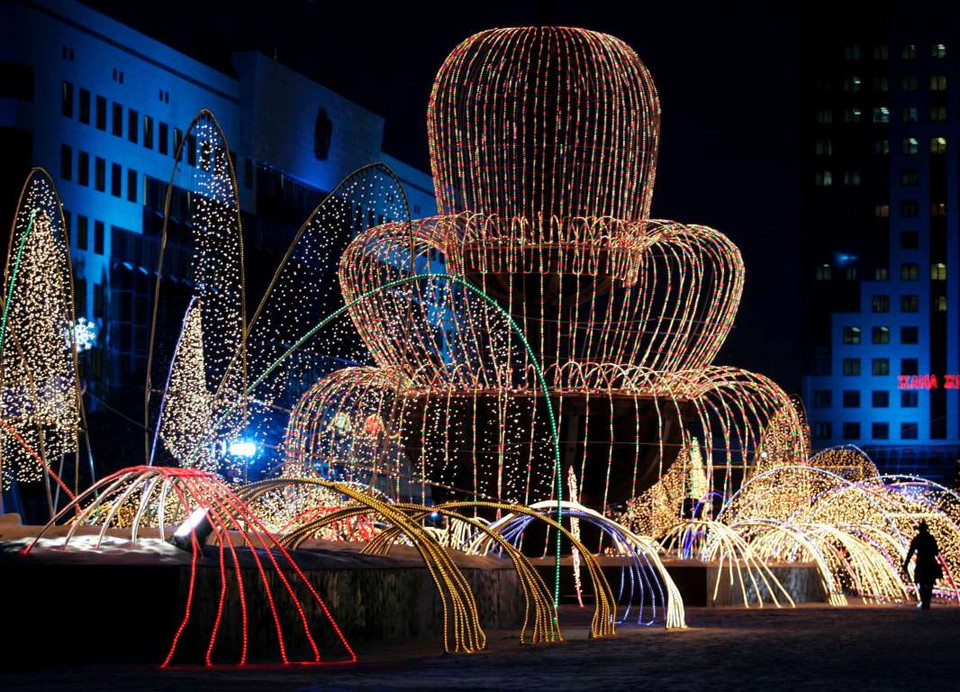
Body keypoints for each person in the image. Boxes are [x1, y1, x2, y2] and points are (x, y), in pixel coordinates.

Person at [903, 520, 942, 609]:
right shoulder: (931, 538)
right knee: (929, 583)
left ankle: (924, 600)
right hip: (930, 562)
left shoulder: (918, 538)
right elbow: (936, 552)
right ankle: (926, 601)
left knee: (921, 582)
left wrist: (906, 563)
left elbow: (911, 552)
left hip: (921, 562)